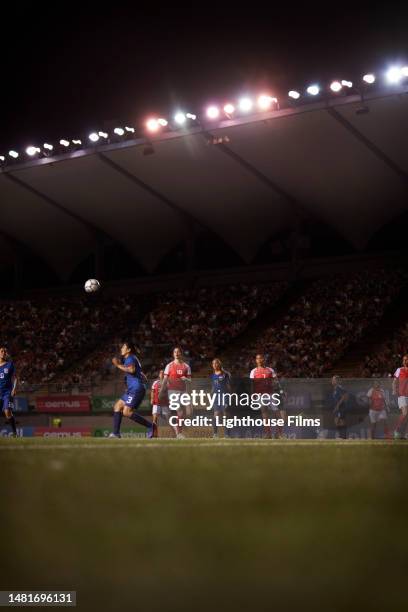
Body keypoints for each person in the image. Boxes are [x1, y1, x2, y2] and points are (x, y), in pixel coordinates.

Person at [110, 341, 156, 439]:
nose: (121, 348)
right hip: (132, 388)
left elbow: (131, 370)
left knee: (126, 412)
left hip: (136, 388)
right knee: (117, 406)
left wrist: (117, 365)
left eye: (123, 347)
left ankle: (150, 426)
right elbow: (136, 371)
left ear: (129, 350)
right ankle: (116, 433)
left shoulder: (130, 358)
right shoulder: (130, 358)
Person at [161, 347, 191, 439]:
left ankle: (179, 428)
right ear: (173, 354)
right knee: (179, 411)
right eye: (175, 352)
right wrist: (161, 391)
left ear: (181, 353)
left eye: (178, 352)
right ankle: (179, 433)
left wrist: (186, 379)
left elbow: (190, 380)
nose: (177, 353)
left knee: (188, 412)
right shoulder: (169, 366)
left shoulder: (186, 366)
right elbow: (165, 380)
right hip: (172, 391)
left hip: (183, 390)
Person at [249, 353, 281, 438]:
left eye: (261, 358)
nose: (259, 360)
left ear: (264, 359)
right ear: (256, 361)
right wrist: (253, 394)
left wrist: (280, 390)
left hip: (271, 394)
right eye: (257, 358)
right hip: (260, 395)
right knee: (264, 412)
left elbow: (276, 381)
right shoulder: (253, 371)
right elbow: (252, 385)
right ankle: (268, 434)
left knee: (277, 412)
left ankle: (279, 434)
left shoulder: (270, 370)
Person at [210, 358, 231, 438]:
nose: (215, 365)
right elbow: (213, 387)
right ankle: (215, 434)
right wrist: (210, 395)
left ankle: (227, 434)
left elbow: (229, 386)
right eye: (213, 363)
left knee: (226, 414)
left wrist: (229, 396)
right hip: (216, 397)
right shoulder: (212, 375)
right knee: (216, 414)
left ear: (220, 364)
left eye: (216, 363)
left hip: (224, 396)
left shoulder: (225, 374)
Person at [0, 347, 18, 437]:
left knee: (7, 412)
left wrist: (14, 388)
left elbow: (15, 377)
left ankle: (15, 433)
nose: (3, 353)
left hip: (7, 393)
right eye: (2, 351)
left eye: (5, 351)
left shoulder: (10, 365)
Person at [393, 354, 408, 440]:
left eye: (406, 360)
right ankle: (397, 430)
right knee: (405, 413)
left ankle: (404, 433)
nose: (405, 361)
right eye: (404, 360)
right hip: (402, 395)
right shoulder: (399, 370)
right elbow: (394, 381)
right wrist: (394, 390)